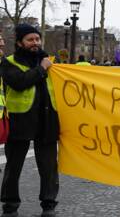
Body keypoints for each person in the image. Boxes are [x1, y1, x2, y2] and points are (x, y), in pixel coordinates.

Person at [0, 24, 59, 216]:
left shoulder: (51, 62)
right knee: (13, 168)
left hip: (46, 122)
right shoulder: (9, 62)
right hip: (19, 123)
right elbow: (19, 83)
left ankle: (49, 204)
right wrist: (42, 69)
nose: (35, 43)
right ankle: (10, 205)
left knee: (49, 169)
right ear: (19, 43)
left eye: (37, 39)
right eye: (30, 39)